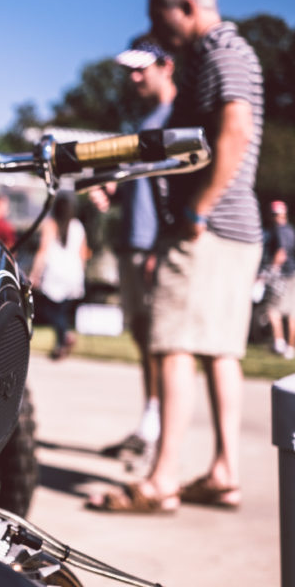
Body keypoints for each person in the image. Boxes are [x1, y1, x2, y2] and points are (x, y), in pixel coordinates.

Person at [88, 0, 264, 513]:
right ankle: (225, 471)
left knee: (171, 343)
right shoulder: (218, 54)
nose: (155, 28)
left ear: (185, 7)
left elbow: (236, 130)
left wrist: (195, 211)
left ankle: (162, 480)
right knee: (220, 353)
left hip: (208, 228)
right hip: (234, 229)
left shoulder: (220, 52)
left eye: (158, 16)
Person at [92, 35, 176, 463]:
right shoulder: (146, 122)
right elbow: (144, 188)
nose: (134, 77)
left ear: (168, 65)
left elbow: (177, 191)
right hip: (134, 242)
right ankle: (150, 422)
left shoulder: (177, 118)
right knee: (145, 338)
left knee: (164, 343)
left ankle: (160, 437)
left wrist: (164, 246)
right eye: (130, 70)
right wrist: (114, 191)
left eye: (142, 68)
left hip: (155, 246)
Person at [29, 192, 90, 361]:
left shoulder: (51, 224)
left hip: (55, 272)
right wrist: (81, 274)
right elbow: (83, 253)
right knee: (61, 310)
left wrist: (34, 273)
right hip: (73, 272)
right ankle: (61, 340)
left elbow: (43, 251)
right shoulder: (78, 226)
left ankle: (64, 337)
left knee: (48, 309)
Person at [261, 200, 295, 359]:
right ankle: (291, 349)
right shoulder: (292, 230)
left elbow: (281, 253)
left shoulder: (276, 230)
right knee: (293, 314)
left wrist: (268, 272)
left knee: (273, 310)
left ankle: (279, 343)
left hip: (284, 276)